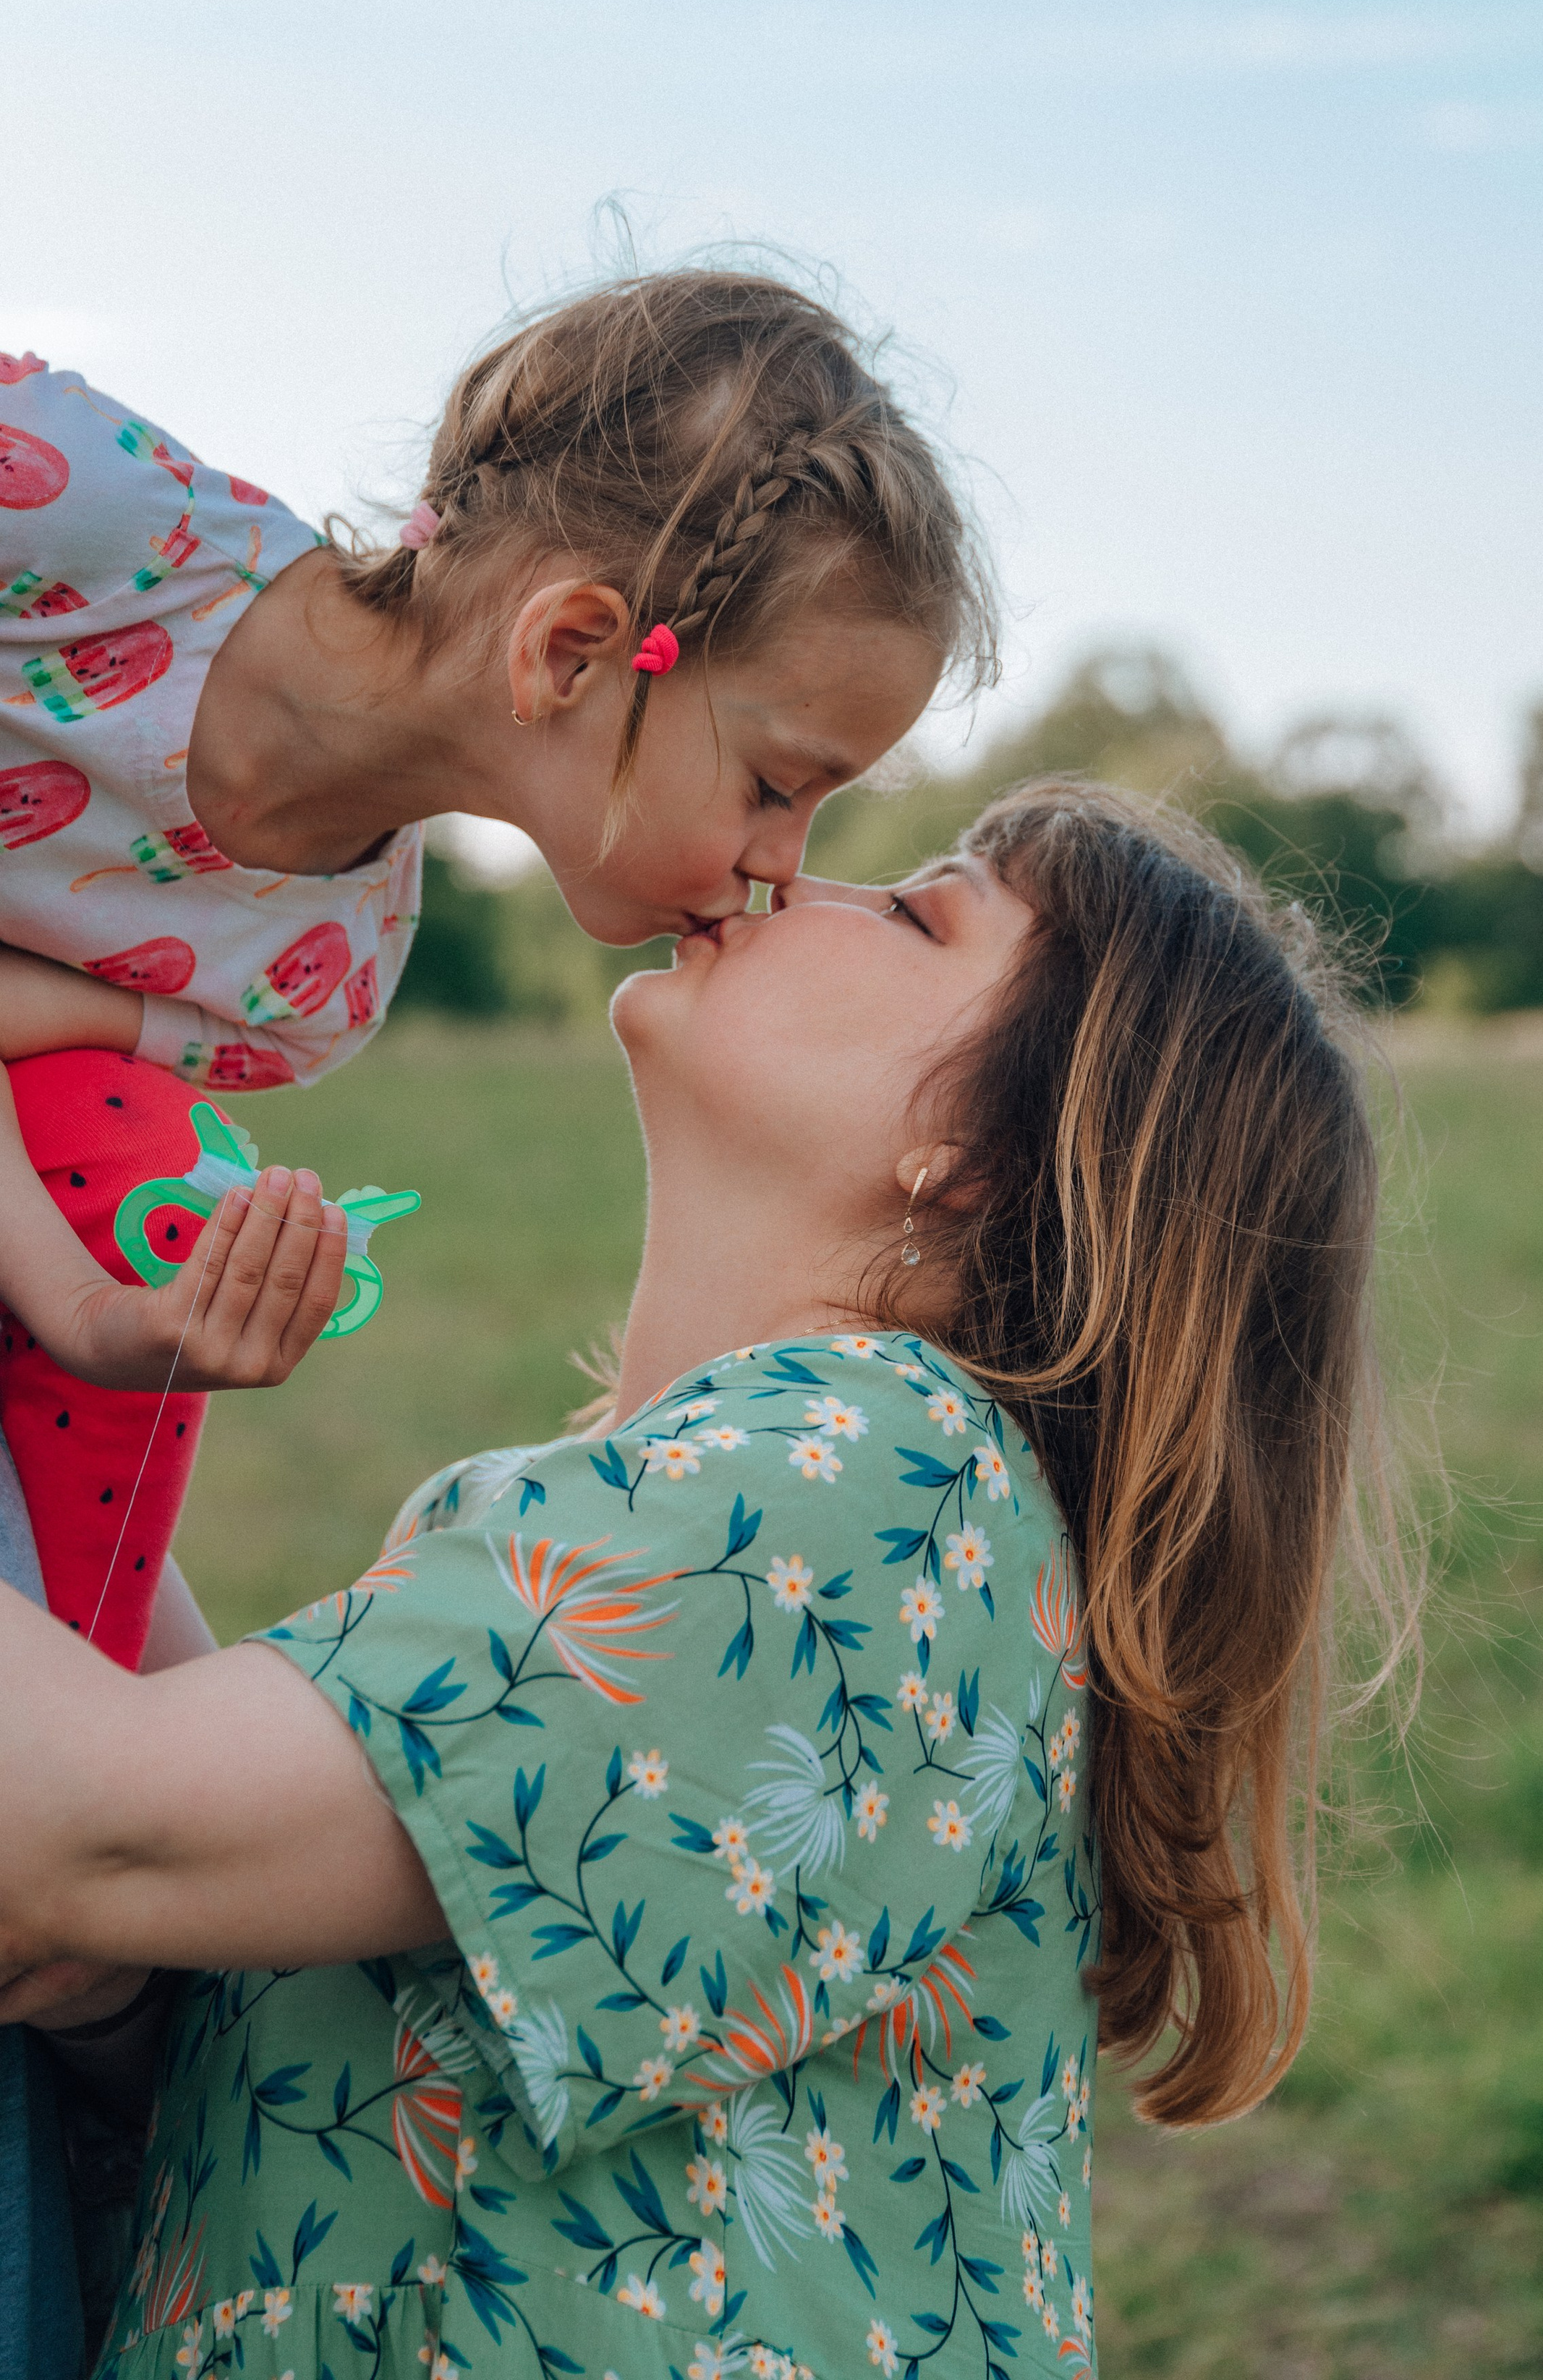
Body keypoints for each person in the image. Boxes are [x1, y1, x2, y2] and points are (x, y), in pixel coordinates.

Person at [0, 781, 1413, 2379]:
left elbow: (82, 1819)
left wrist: (102, 1867)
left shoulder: (884, 1485)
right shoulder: (615, 1516)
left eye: (914, 911)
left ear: (975, 1154)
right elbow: (206, 1974)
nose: (795, 877)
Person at [0, 277, 990, 1667]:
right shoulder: (72, 503)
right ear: (572, 652)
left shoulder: (317, 978)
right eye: (778, 785)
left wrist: (99, 1320)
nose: (785, 866)